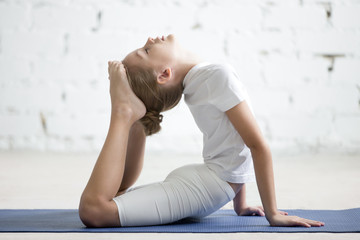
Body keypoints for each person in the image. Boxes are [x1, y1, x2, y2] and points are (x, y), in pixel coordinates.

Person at [78, 34, 325, 228]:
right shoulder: (212, 77)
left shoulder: (203, 80)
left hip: (207, 184)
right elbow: (254, 145)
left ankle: (128, 115)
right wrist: (271, 213)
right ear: (165, 74)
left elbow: (237, 143)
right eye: (146, 50)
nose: (150, 39)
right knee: (103, 203)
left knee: (99, 206)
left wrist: (241, 204)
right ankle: (124, 114)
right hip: (207, 184)